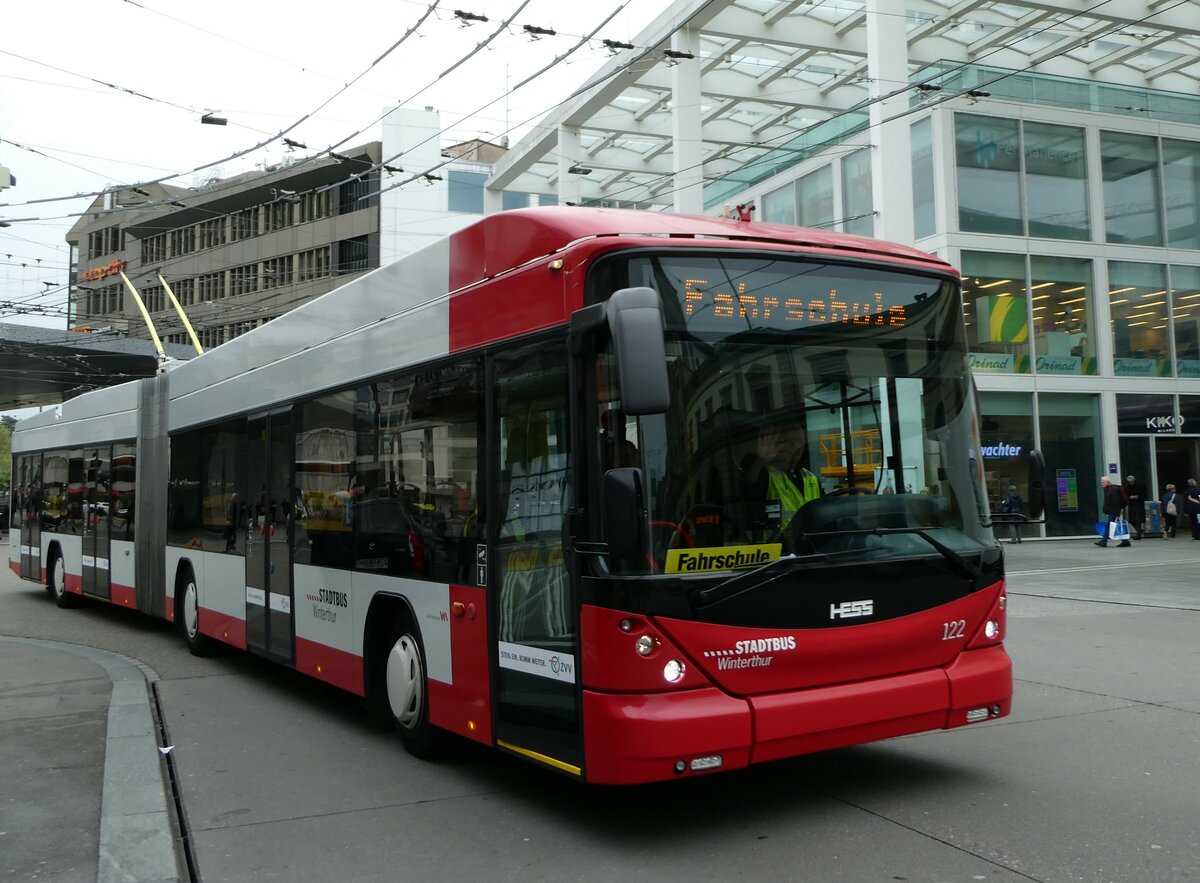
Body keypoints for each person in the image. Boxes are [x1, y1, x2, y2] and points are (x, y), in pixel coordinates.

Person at [741, 419, 821, 532]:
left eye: (800, 442)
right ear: (777, 445)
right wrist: (760, 460)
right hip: (777, 547)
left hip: (812, 546)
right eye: (791, 442)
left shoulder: (810, 478)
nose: (798, 448)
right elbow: (747, 484)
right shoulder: (766, 474)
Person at [1095, 475, 1131, 548]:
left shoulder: (1113, 489)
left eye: (1103, 482)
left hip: (1114, 511)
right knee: (1112, 526)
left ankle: (1104, 541)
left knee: (1109, 525)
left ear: (1107, 482)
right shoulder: (1107, 489)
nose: (1101, 483)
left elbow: (1116, 501)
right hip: (1112, 511)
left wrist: (1117, 513)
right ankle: (1125, 541)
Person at [1123, 475, 1146, 539]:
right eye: (1129, 482)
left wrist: (1137, 497)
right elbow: (1126, 495)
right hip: (1132, 504)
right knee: (1132, 519)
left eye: (1132, 482)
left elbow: (1144, 495)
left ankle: (1138, 534)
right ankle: (1140, 531)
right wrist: (1130, 497)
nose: (1131, 483)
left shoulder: (1140, 486)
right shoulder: (1127, 487)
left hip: (1139, 504)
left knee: (1138, 519)